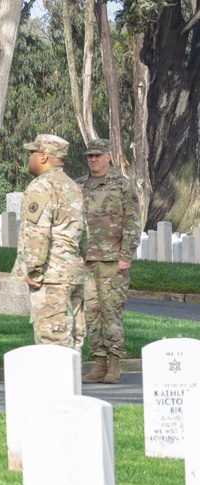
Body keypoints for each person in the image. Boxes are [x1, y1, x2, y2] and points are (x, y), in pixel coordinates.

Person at [11, 134, 86, 350]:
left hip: (51, 277)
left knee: (53, 346)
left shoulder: (41, 186)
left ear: (43, 157)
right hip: (73, 274)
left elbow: (38, 233)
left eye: (31, 153)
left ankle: (59, 384)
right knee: (72, 342)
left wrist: (34, 270)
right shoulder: (72, 186)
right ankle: (71, 384)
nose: (29, 158)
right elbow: (83, 232)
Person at [78, 139, 141, 384]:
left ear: (108, 157)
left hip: (113, 260)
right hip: (86, 261)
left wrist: (126, 256)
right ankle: (99, 364)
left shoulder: (122, 185)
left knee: (111, 313)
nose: (93, 159)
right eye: (90, 156)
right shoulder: (79, 185)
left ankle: (114, 365)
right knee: (91, 314)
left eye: (98, 155)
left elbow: (133, 222)